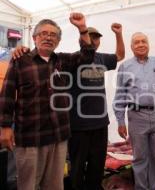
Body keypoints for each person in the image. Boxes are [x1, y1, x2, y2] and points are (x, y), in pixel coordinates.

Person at [0, 12, 95, 190]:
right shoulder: (20, 60)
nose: (48, 37)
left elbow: (87, 55)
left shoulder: (63, 61)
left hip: (58, 135)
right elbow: (7, 94)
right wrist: (5, 127)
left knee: (55, 185)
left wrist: (82, 28)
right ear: (35, 37)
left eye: (53, 35)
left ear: (58, 41)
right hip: (30, 136)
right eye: (44, 33)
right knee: (28, 185)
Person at [113, 21, 155, 190]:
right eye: (137, 42)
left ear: (149, 45)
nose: (141, 44)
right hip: (137, 117)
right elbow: (120, 94)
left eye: (144, 41)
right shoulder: (125, 66)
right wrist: (120, 121)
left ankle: (152, 187)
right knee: (139, 157)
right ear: (131, 47)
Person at [68, 24, 125, 190]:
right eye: (89, 36)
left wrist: (119, 34)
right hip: (78, 125)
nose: (93, 40)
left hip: (100, 124)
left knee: (97, 168)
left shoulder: (101, 58)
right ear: (81, 38)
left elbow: (120, 55)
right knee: (77, 169)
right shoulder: (72, 58)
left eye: (96, 37)